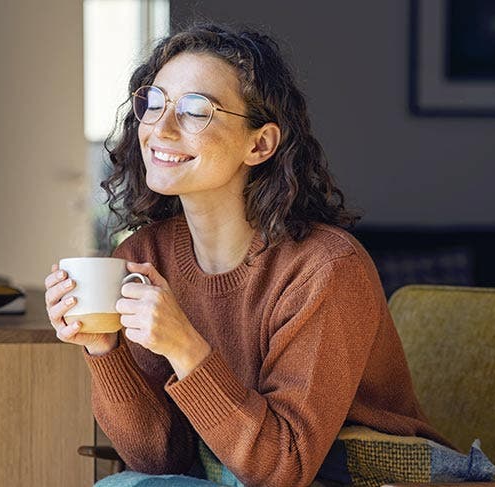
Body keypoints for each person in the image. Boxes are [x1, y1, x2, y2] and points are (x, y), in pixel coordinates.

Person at [44, 22, 452, 486]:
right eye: (153, 103)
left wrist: (185, 347)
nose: (161, 127)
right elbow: (161, 460)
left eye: (196, 111)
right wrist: (105, 347)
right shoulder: (145, 256)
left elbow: (285, 469)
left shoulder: (325, 269)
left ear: (259, 144)